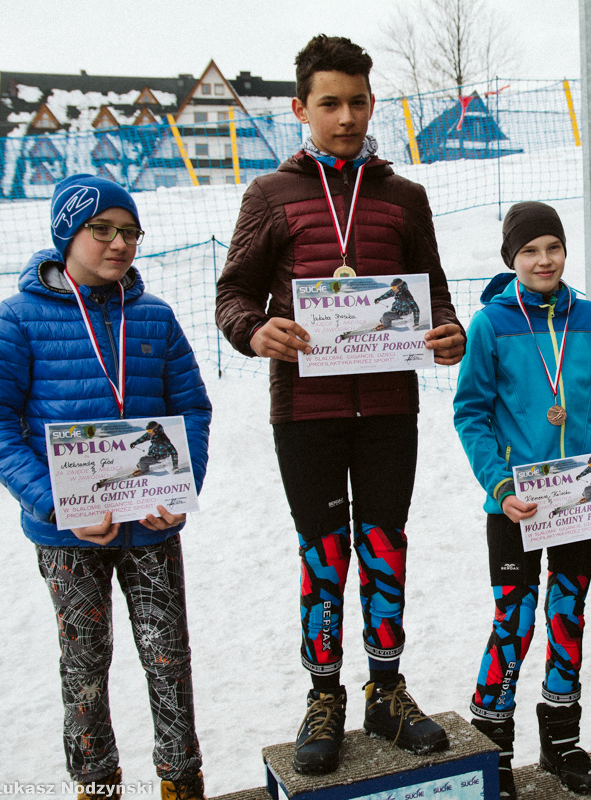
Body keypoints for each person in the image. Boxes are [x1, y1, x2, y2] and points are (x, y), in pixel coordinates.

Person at [214, 34, 466, 775]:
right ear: (301, 108)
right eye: (330, 103)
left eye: (357, 102)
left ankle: (386, 689)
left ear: (372, 102)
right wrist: (255, 331)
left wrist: (447, 332)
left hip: (389, 407)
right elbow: (233, 294)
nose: (346, 117)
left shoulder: (404, 197)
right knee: (323, 552)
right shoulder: (270, 195)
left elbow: (435, 291)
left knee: (385, 545)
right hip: (306, 411)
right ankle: (323, 694)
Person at [0, 174, 212, 800]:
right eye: (101, 229)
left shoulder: (154, 316)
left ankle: (181, 779)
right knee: (83, 663)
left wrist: (179, 489)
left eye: (130, 232)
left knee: (168, 656)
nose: (119, 243)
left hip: (151, 525)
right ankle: (96, 783)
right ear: (66, 234)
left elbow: (192, 409)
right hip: (68, 534)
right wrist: (53, 503)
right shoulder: (19, 318)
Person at [452, 201, 591, 800]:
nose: (543, 260)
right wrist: (500, 486)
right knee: (515, 620)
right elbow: (471, 413)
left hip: (581, 500)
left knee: (567, 616)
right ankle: (495, 745)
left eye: (552, 247)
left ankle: (561, 740)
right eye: (530, 250)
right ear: (512, 258)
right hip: (518, 506)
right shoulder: (491, 324)